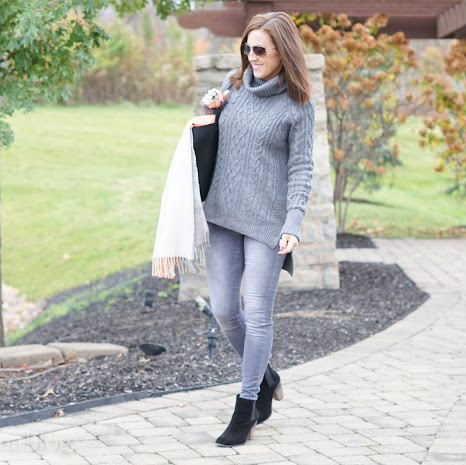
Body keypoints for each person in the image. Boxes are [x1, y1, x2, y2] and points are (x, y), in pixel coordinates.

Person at [200, 11, 315, 447]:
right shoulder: (232, 87)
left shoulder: (298, 106)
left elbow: (301, 168)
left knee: (258, 312)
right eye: (247, 48)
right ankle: (267, 377)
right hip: (222, 215)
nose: (252, 56)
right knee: (225, 310)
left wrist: (293, 223)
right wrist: (211, 112)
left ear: (283, 51)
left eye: (261, 49)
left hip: (268, 224)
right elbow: (217, 144)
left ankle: (246, 405)